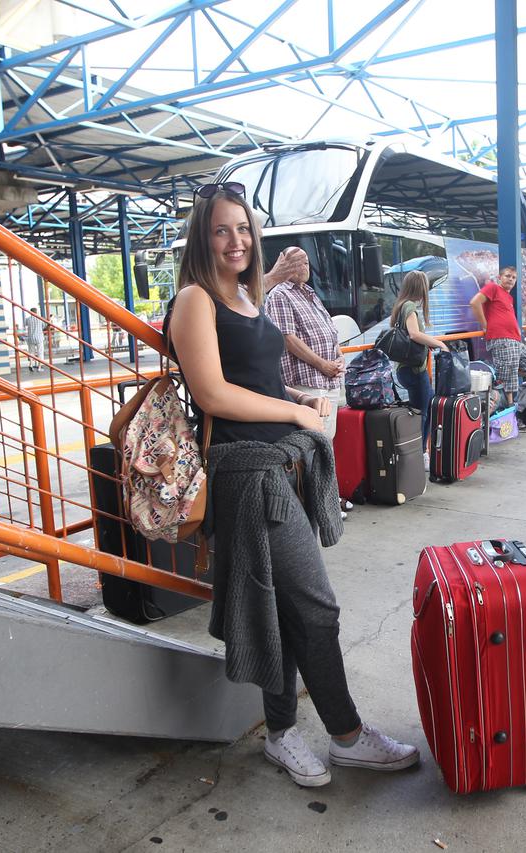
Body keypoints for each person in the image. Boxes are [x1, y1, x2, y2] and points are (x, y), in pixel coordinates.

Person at [168, 184, 418, 789]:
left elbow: (254, 380)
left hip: (280, 463)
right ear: (203, 238)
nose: (236, 241)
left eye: (244, 229)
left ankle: (281, 734)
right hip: (248, 470)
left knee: (280, 607)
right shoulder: (194, 300)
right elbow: (212, 395)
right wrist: (296, 415)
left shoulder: (247, 298)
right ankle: (348, 737)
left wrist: (295, 397)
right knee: (316, 606)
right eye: (222, 230)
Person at [264, 254, 344, 442]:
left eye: (307, 262)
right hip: (307, 383)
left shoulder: (310, 292)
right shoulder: (279, 294)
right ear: (286, 265)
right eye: (299, 262)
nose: (305, 266)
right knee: (311, 444)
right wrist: (323, 365)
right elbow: (287, 338)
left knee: (326, 441)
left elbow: (330, 331)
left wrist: (339, 356)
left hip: (329, 381)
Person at [389, 270, 449, 469]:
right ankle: (420, 453)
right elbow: (414, 334)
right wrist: (438, 343)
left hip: (406, 369)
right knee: (423, 412)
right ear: (421, 287)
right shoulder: (409, 307)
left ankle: (420, 452)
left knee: (424, 408)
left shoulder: (401, 305)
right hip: (414, 370)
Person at [469, 265, 526, 429]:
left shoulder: (508, 297)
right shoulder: (493, 288)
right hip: (501, 339)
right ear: (500, 277)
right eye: (507, 276)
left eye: (513, 277)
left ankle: (500, 374)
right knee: (508, 379)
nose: (510, 279)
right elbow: (474, 303)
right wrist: (485, 325)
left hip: (515, 340)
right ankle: (511, 416)